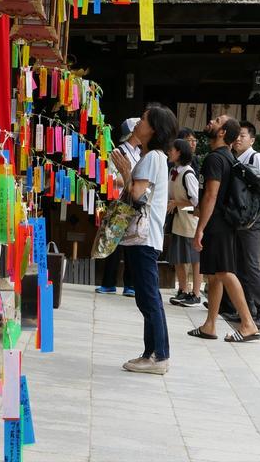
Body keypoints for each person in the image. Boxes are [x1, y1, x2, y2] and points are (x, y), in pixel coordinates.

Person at [110, 104, 178, 374]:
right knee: (146, 298)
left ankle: (159, 356)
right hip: (146, 237)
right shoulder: (153, 157)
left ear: (154, 129)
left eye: (145, 119)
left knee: (149, 299)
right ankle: (151, 353)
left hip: (144, 237)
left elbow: (136, 195)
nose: (139, 122)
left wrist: (126, 171)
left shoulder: (152, 158)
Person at [186, 115, 260, 343]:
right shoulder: (228, 157)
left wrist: (200, 228)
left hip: (216, 222)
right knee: (215, 273)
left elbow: (211, 194)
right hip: (224, 222)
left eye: (217, 120)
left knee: (225, 272)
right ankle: (209, 325)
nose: (211, 121)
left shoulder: (215, 159)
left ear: (221, 132)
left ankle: (248, 324)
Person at [216, 122, 260, 329]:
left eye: (243, 136)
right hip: (237, 219)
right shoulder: (234, 159)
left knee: (251, 265)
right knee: (239, 265)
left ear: (252, 139)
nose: (238, 139)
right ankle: (247, 312)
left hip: (251, 219)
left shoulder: (256, 158)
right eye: (237, 136)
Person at [97, 117, 140, 296]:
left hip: (135, 199)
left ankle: (130, 284)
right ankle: (109, 282)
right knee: (113, 241)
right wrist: (133, 179)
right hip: (121, 199)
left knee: (132, 241)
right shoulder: (118, 151)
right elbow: (111, 177)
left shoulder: (141, 152)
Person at [166, 139, 202, 306]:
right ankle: (183, 290)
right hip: (178, 221)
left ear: (179, 152)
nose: (169, 152)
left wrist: (177, 203)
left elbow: (197, 201)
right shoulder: (174, 171)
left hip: (189, 221)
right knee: (179, 257)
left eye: (171, 149)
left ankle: (195, 293)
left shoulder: (188, 174)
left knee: (194, 258)